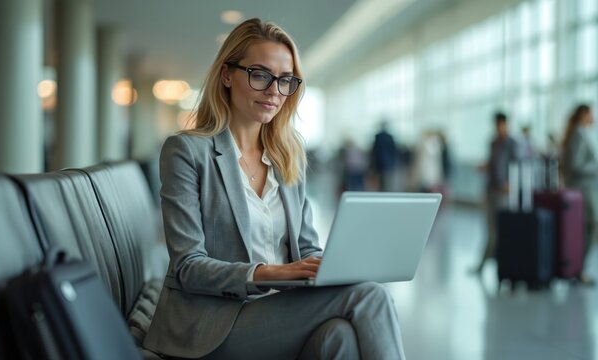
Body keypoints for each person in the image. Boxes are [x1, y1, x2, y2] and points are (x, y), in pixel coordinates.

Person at [143, 18, 405, 360]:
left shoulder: (287, 155)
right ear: (227, 75)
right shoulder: (187, 151)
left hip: (279, 312)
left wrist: (338, 263)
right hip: (213, 324)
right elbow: (189, 266)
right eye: (260, 75)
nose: (274, 91)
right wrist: (271, 273)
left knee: (338, 337)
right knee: (370, 296)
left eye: (285, 80)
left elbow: (307, 245)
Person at [560, 104, 598, 285]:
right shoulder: (579, 134)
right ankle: (579, 267)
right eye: (591, 113)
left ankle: (578, 267)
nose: (594, 117)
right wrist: (597, 169)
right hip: (582, 188)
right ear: (584, 115)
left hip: (582, 188)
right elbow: (575, 165)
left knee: (586, 228)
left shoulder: (579, 133)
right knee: (594, 224)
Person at [473, 112, 518, 273]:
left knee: (501, 229)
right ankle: (484, 263)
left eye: (501, 124)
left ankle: (502, 264)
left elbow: (517, 165)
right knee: (490, 228)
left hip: (504, 191)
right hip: (492, 189)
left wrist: (510, 183)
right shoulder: (493, 143)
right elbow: (493, 164)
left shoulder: (511, 143)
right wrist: (485, 167)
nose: (498, 127)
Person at [370, 121, 398, 191]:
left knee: (381, 179)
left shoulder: (378, 137)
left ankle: (382, 190)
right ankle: (385, 190)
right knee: (387, 179)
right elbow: (394, 151)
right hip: (388, 161)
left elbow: (374, 151)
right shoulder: (389, 137)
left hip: (379, 161)